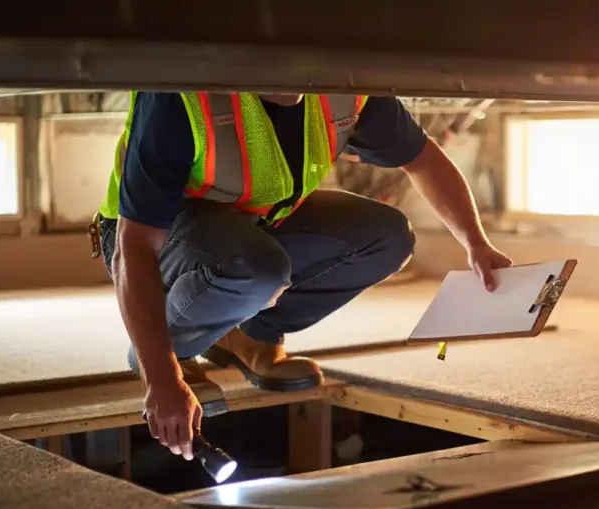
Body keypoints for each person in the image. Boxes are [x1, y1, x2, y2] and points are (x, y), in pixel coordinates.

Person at [90, 91, 512, 460]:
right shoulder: (180, 94)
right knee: (254, 268)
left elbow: (422, 160)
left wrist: (476, 242)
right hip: (156, 235)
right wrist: (161, 379)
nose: (294, 80)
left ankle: (254, 333)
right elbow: (136, 246)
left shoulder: (346, 85)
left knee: (387, 237)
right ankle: (171, 347)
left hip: (255, 223)